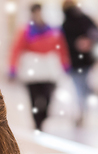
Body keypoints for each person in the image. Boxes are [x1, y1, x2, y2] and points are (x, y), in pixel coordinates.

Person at [9, 3, 71, 131]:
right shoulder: (26, 31)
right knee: (34, 97)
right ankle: (37, 122)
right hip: (32, 69)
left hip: (48, 70)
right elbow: (16, 49)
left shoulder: (53, 30)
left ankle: (43, 118)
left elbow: (61, 47)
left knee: (48, 96)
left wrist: (65, 63)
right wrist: (12, 68)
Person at [62, 0, 98, 127]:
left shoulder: (68, 23)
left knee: (80, 86)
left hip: (79, 61)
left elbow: (97, 34)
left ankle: (81, 110)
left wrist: (87, 42)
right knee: (81, 86)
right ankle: (82, 109)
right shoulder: (82, 19)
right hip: (82, 61)